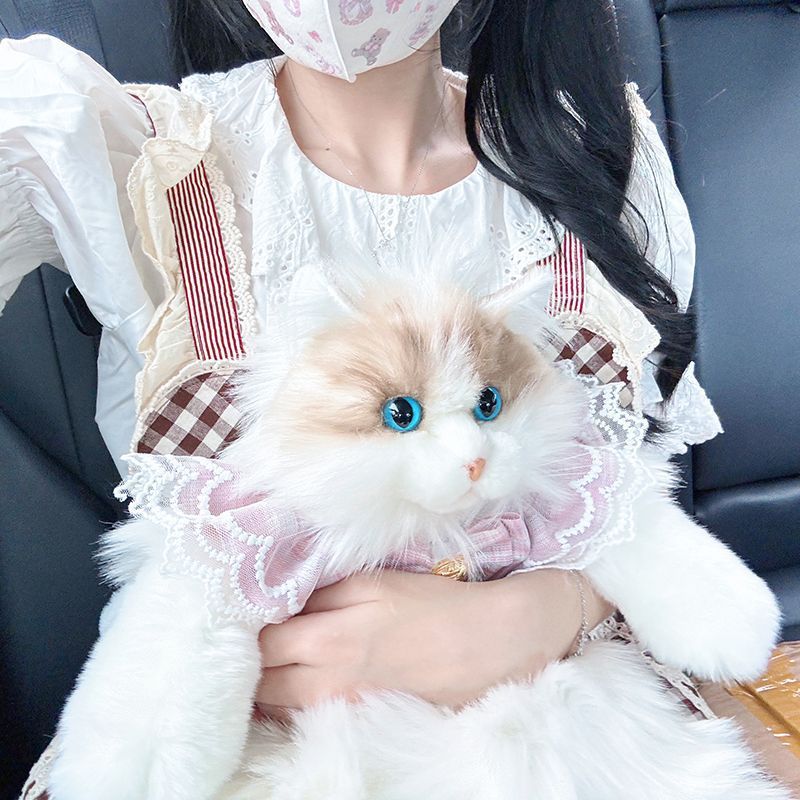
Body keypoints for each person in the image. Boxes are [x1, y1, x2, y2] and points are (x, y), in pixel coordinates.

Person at [1, 0, 727, 796]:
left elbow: (636, 493)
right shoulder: (129, 154)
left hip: (575, 727)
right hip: (234, 747)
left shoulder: (593, 160)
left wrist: (556, 607)